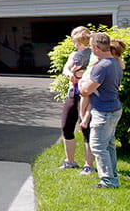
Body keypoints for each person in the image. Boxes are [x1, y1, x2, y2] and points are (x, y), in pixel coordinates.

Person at [79, 32, 124, 188]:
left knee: (98, 146)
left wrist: (80, 84)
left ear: (96, 48)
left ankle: (108, 181)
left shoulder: (102, 66)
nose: (91, 49)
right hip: (113, 109)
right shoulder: (115, 63)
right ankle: (112, 176)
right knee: (109, 145)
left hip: (104, 112)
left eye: (91, 46)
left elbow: (86, 91)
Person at [58, 26, 94, 174]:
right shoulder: (74, 55)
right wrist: (70, 74)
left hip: (88, 95)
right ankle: (70, 161)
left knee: (87, 129)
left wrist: (83, 73)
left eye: (77, 43)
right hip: (73, 93)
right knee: (67, 126)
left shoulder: (94, 55)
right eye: (75, 42)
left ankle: (89, 165)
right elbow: (66, 68)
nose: (75, 45)